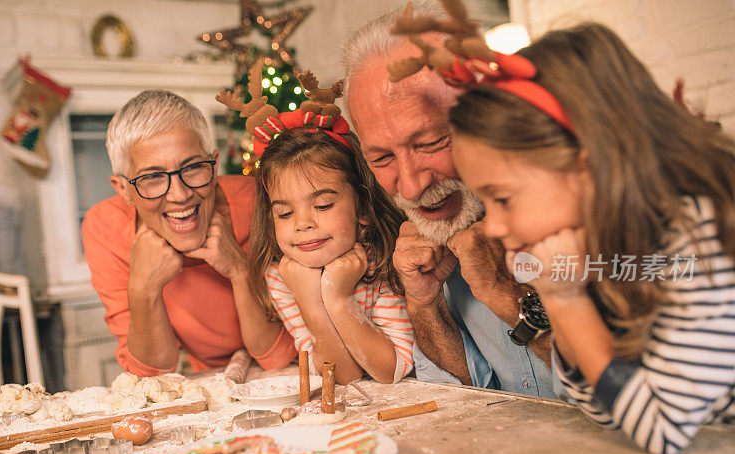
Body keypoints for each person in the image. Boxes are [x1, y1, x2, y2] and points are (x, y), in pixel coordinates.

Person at [447, 23, 735, 454]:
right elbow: (601, 405)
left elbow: (661, 428)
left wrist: (565, 300)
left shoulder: (698, 234)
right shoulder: (610, 247)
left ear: (589, 167)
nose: (492, 225)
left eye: (503, 198)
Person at [341, 5, 557, 397]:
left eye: (430, 143)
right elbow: (463, 393)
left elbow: (635, 396)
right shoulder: (439, 231)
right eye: (382, 158)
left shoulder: (585, 206)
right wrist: (425, 305)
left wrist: (507, 297)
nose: (409, 187)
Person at [82, 90, 296, 376]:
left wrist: (241, 272)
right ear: (123, 190)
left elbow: (280, 358)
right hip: (211, 380)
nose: (180, 195)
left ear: (215, 164)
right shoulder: (105, 228)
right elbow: (153, 375)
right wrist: (144, 290)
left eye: (193, 167)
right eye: (152, 177)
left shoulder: (259, 204)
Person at [241, 104, 413, 385]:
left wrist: (339, 298)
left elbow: (390, 370)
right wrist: (310, 300)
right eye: (285, 213)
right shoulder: (283, 276)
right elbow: (342, 376)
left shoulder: (385, 259)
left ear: (363, 210)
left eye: (322, 205)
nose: (302, 223)